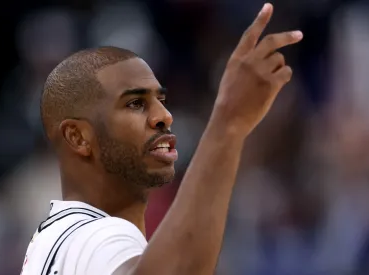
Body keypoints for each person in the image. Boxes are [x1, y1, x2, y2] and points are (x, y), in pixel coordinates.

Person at [20, 3, 303, 275]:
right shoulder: (90, 237)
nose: (164, 116)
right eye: (134, 104)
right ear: (79, 137)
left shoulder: (58, 240)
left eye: (161, 99)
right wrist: (228, 123)